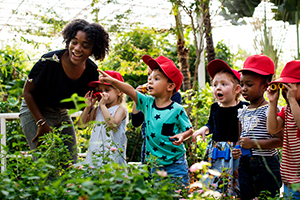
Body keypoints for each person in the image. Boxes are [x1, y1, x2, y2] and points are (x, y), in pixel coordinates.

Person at [19, 19, 110, 165]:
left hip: (60, 112)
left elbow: (92, 103)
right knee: (45, 163)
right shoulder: (49, 61)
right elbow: (27, 92)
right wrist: (41, 123)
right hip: (35, 110)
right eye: (74, 42)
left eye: (85, 45)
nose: (77, 48)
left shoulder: (92, 71)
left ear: (94, 49)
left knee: (70, 162)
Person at [98, 55, 193, 187]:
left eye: (156, 78)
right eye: (150, 78)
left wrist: (183, 135)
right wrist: (112, 81)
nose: (150, 81)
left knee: (178, 194)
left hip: (175, 164)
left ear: (170, 86)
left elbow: (190, 129)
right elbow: (129, 90)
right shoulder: (146, 102)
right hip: (154, 164)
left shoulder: (177, 109)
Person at [192, 59, 248, 196]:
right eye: (215, 84)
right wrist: (203, 129)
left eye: (223, 84)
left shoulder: (243, 107)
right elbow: (211, 124)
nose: (218, 87)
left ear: (237, 89)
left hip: (235, 152)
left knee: (234, 186)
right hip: (216, 152)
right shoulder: (215, 107)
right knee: (213, 185)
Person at [232, 54, 283, 200]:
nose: (244, 89)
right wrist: (237, 149)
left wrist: (254, 144)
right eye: (242, 84)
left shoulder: (270, 110)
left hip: (266, 166)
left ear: (265, 87)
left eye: (249, 84)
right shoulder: (242, 111)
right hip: (245, 166)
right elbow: (240, 139)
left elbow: (280, 141)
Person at [131, 66, 182, 164]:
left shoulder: (174, 95)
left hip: (167, 148)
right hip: (149, 147)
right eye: (148, 75)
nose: (150, 78)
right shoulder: (146, 97)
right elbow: (136, 122)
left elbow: (168, 119)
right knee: (149, 177)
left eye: (155, 76)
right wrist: (136, 98)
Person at [78, 70, 127, 167]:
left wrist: (103, 105)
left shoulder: (121, 109)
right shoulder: (99, 109)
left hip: (113, 156)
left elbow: (112, 124)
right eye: (100, 90)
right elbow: (81, 124)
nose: (102, 93)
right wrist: (88, 107)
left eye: (107, 90)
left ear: (119, 92)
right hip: (96, 155)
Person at [267, 60, 300, 199]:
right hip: (290, 181)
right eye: (283, 89)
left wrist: (292, 100)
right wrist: (273, 102)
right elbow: (272, 129)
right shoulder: (287, 111)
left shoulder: (293, 108)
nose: (286, 93)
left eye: (289, 88)